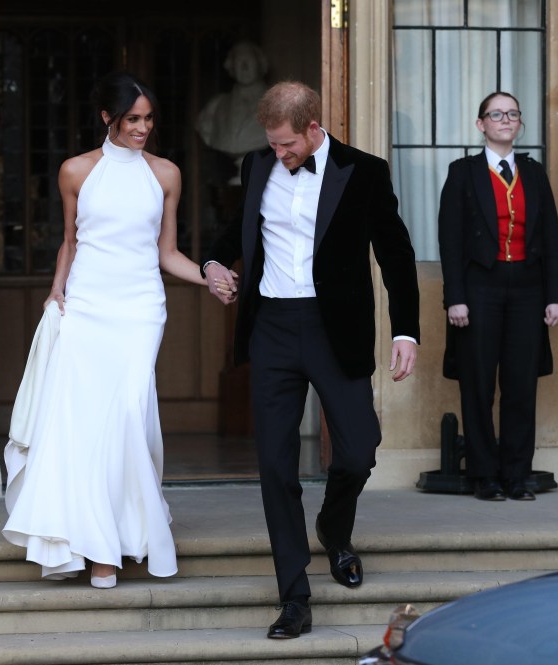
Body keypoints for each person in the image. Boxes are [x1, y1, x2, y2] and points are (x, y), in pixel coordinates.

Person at [203, 82, 420, 639]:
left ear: (312, 126)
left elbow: (395, 253)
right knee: (275, 466)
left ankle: (334, 527)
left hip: (334, 331)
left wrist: (406, 332)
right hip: (272, 327)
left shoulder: (363, 171)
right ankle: (294, 596)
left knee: (358, 450)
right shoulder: (256, 167)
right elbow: (234, 233)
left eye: (287, 145)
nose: (279, 155)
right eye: (272, 145)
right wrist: (211, 262)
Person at [2, 72, 228, 589]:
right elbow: (70, 240)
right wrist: (57, 291)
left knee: (128, 417)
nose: (142, 127)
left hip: (140, 309)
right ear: (108, 118)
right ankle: (97, 550)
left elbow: (167, 252)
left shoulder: (166, 174)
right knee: (83, 427)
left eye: (148, 118)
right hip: (87, 306)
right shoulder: (75, 171)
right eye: (132, 119)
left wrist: (208, 274)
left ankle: (120, 541)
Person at [438, 91, 558, 502]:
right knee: (478, 384)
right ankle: (484, 475)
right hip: (480, 289)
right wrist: (454, 297)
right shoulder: (463, 172)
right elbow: (450, 239)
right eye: (497, 114)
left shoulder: (533, 173)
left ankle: (516, 474)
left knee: (520, 384)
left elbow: (550, 236)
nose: (506, 120)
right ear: (482, 125)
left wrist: (555, 295)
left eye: (513, 113)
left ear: (519, 123)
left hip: (528, 289)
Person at [196, 41, 270, 182]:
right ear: (231, 67)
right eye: (238, 61)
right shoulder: (215, 106)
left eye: (250, 60)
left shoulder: (280, 105)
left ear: (261, 64)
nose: (244, 67)